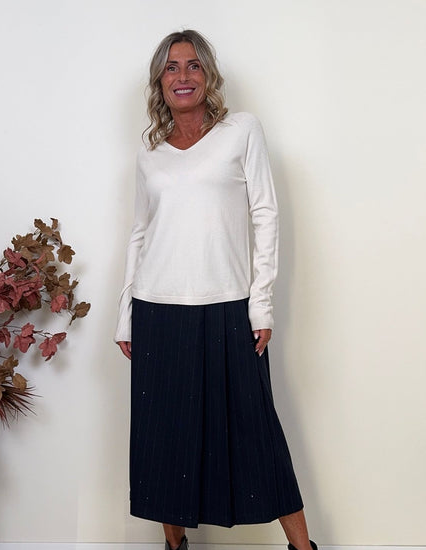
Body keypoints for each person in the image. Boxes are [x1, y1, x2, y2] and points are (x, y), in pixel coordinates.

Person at [115, 29, 317, 550]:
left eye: (193, 65)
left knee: (256, 430)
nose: (182, 76)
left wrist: (261, 304)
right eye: (171, 67)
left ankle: (303, 548)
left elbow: (266, 214)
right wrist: (125, 314)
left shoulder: (241, 131)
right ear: (159, 82)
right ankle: (175, 546)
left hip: (228, 307)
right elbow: (140, 233)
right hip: (158, 310)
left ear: (208, 75)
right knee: (163, 439)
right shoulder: (150, 154)